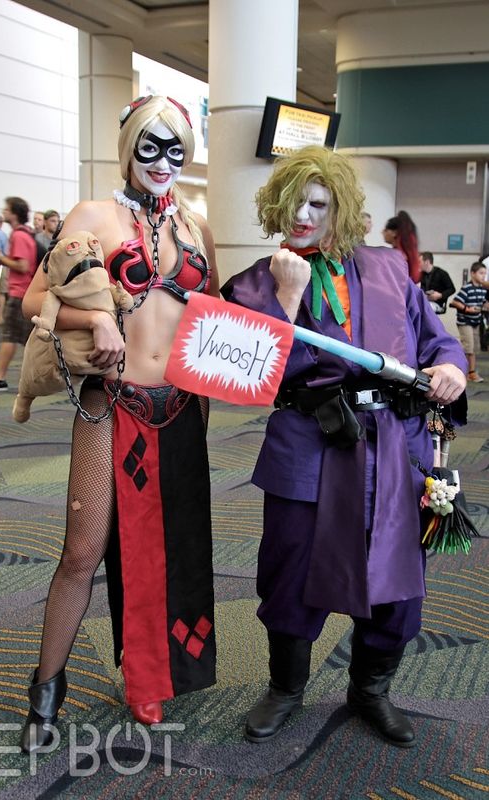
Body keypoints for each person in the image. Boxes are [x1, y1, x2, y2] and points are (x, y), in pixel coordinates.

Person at [221, 145, 466, 749]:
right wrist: (284, 298)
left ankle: (371, 690)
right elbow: (250, 378)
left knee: (396, 576)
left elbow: (436, 340)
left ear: (343, 209)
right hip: (309, 446)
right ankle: (285, 688)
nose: (303, 216)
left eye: (318, 204)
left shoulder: (388, 269)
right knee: (290, 571)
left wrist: (450, 367)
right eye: (293, 204)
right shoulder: (253, 284)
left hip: (393, 448)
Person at [18, 94, 219, 753]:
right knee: (83, 552)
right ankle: (45, 690)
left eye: (175, 150)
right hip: (110, 403)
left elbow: (212, 312)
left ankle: (148, 676)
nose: (162, 162)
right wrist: (96, 317)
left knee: (169, 550)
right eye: (149, 147)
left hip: (182, 408)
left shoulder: (195, 226)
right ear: (128, 146)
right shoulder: (92, 215)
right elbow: (34, 300)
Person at [0, 198, 38, 392]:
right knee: (28, 338)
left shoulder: (19, 236)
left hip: (19, 293)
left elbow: (23, 266)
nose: (4, 211)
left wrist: (0, 258)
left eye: (7, 209)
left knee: (9, 335)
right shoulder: (24, 234)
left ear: (15, 213)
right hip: (23, 292)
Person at [450, 261, 488, 382]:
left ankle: (471, 372)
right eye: (481, 273)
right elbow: (455, 302)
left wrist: (485, 306)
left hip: (475, 322)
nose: (483, 276)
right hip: (465, 322)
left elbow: (482, 303)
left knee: (474, 349)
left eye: (485, 273)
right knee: (468, 348)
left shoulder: (482, 289)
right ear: (472, 274)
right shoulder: (467, 288)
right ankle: (466, 372)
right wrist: (467, 309)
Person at [383, 210, 420, 283]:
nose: (382, 232)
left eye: (386, 230)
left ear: (394, 233)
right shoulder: (402, 252)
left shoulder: (398, 255)